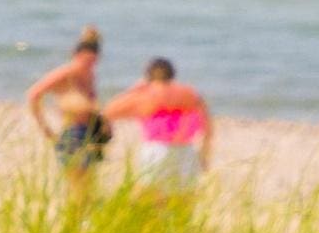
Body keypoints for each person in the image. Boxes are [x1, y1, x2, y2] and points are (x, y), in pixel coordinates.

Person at [103, 56, 212, 194]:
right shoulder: (190, 94)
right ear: (172, 74)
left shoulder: (146, 95)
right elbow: (208, 130)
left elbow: (109, 110)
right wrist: (204, 157)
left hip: (156, 150)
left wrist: (134, 89)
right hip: (186, 150)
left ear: (148, 76)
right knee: (184, 202)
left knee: (149, 200)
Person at [23, 28, 113, 197]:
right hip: (73, 132)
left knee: (88, 187)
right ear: (75, 55)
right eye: (85, 60)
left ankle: (83, 221)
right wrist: (45, 127)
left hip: (90, 133)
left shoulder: (90, 74)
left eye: (92, 61)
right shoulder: (66, 72)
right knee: (78, 187)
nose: (88, 65)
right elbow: (34, 94)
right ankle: (75, 221)